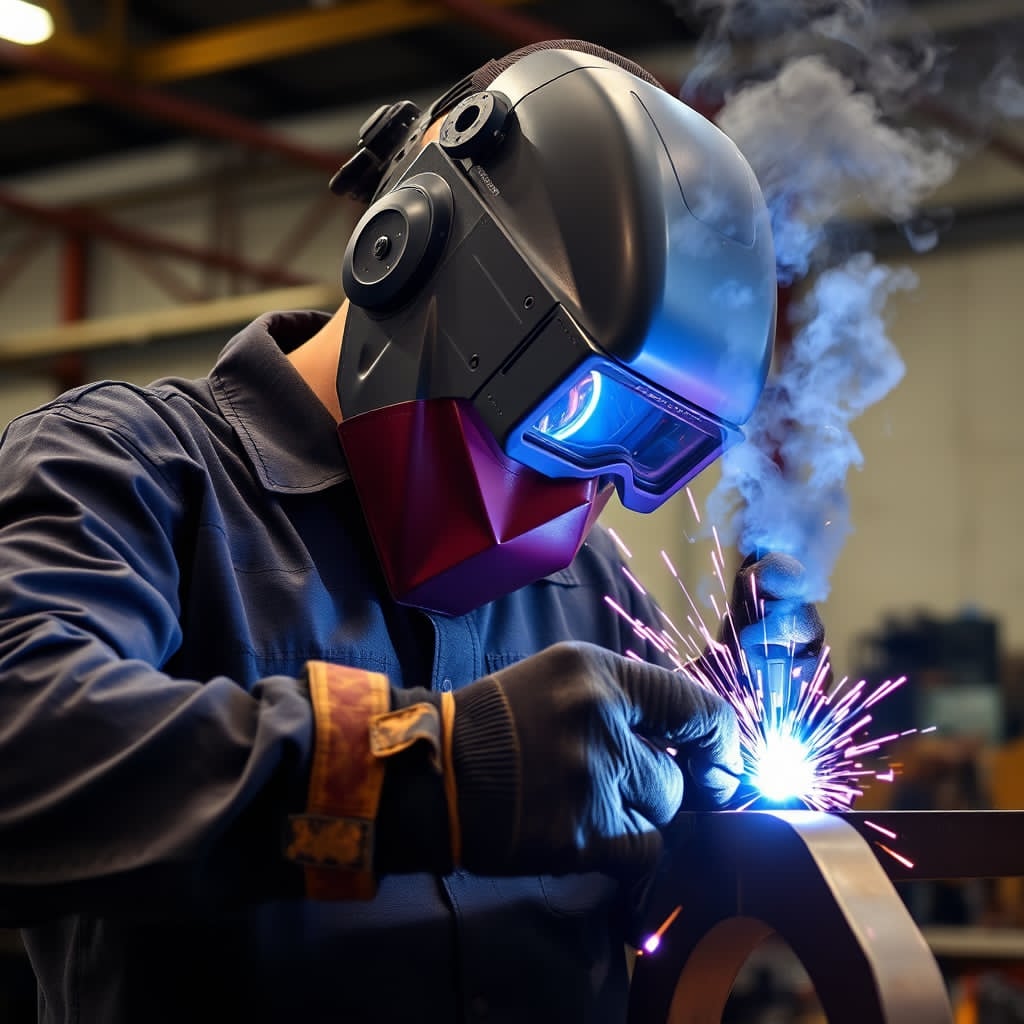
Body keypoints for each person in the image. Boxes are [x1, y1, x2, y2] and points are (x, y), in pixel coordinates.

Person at [0, 39, 823, 1024]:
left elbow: (644, 904)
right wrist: (425, 768)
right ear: (408, 247)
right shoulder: (130, 470)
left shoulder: (592, 589)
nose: (593, 484)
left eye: (650, 448)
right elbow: (26, 743)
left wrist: (710, 799)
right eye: (578, 412)